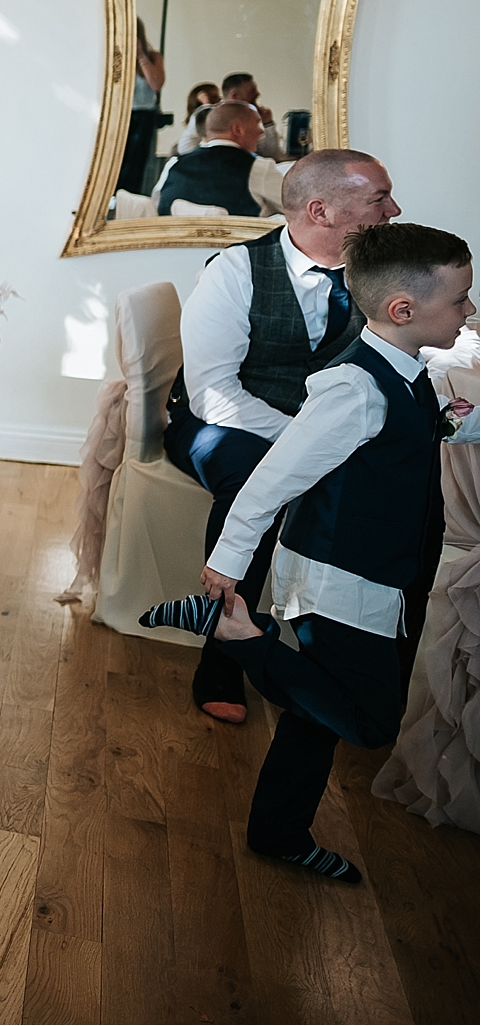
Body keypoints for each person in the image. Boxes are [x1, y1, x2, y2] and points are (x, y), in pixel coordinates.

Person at [144, 223, 475, 881]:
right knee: (368, 717)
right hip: (344, 577)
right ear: (403, 311)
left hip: (379, 570)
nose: (469, 311)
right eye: (460, 299)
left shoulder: (404, 370)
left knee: (313, 714)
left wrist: (456, 421)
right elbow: (273, 478)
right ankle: (237, 635)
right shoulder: (353, 387)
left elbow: (411, 426)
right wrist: (229, 564)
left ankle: (278, 830)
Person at [163, 147, 401, 723]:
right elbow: (213, 395)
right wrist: (302, 441)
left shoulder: (374, 273)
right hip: (223, 422)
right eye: (378, 199)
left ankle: (338, 655)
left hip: (311, 423)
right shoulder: (235, 272)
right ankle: (222, 655)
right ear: (320, 211)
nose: (394, 210)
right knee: (253, 480)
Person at [153, 101, 286, 217]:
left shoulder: (174, 165)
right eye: (257, 124)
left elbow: (156, 206)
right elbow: (293, 208)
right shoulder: (258, 168)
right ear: (238, 129)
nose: (261, 132)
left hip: (174, 245)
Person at [117, 20, 170, 195]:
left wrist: (140, 56)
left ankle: (131, 199)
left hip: (144, 116)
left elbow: (156, 84)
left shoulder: (153, 57)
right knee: (117, 161)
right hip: (119, 115)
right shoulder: (114, 56)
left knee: (137, 164)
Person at [221, 71, 282, 160]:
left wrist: (268, 124)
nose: (257, 94)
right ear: (235, 96)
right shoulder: (211, 119)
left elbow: (270, 153)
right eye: (251, 91)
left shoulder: (249, 117)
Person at [175, 82, 223, 155]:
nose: (220, 99)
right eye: (214, 97)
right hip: (187, 154)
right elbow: (207, 124)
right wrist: (206, 103)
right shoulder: (197, 116)